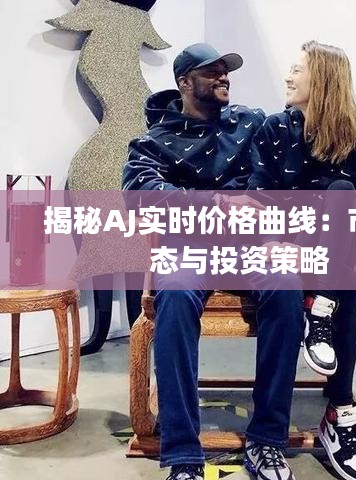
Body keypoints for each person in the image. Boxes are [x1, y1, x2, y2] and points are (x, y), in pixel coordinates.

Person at [123, 43, 303, 480]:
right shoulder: (153, 141)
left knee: (286, 286)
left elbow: (295, 153)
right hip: (190, 248)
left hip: (252, 246)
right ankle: (184, 455)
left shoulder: (251, 122)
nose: (224, 77)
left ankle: (266, 440)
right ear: (185, 83)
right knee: (174, 296)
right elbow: (139, 194)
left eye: (226, 71)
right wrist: (217, 202)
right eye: (212, 72)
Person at [248, 41, 356, 480]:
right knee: (345, 275)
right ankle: (341, 412)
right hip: (281, 252)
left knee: (342, 200)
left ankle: (320, 315)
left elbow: (352, 213)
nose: (288, 76)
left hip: (328, 260)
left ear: (321, 80)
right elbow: (259, 200)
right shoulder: (273, 130)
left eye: (297, 69)